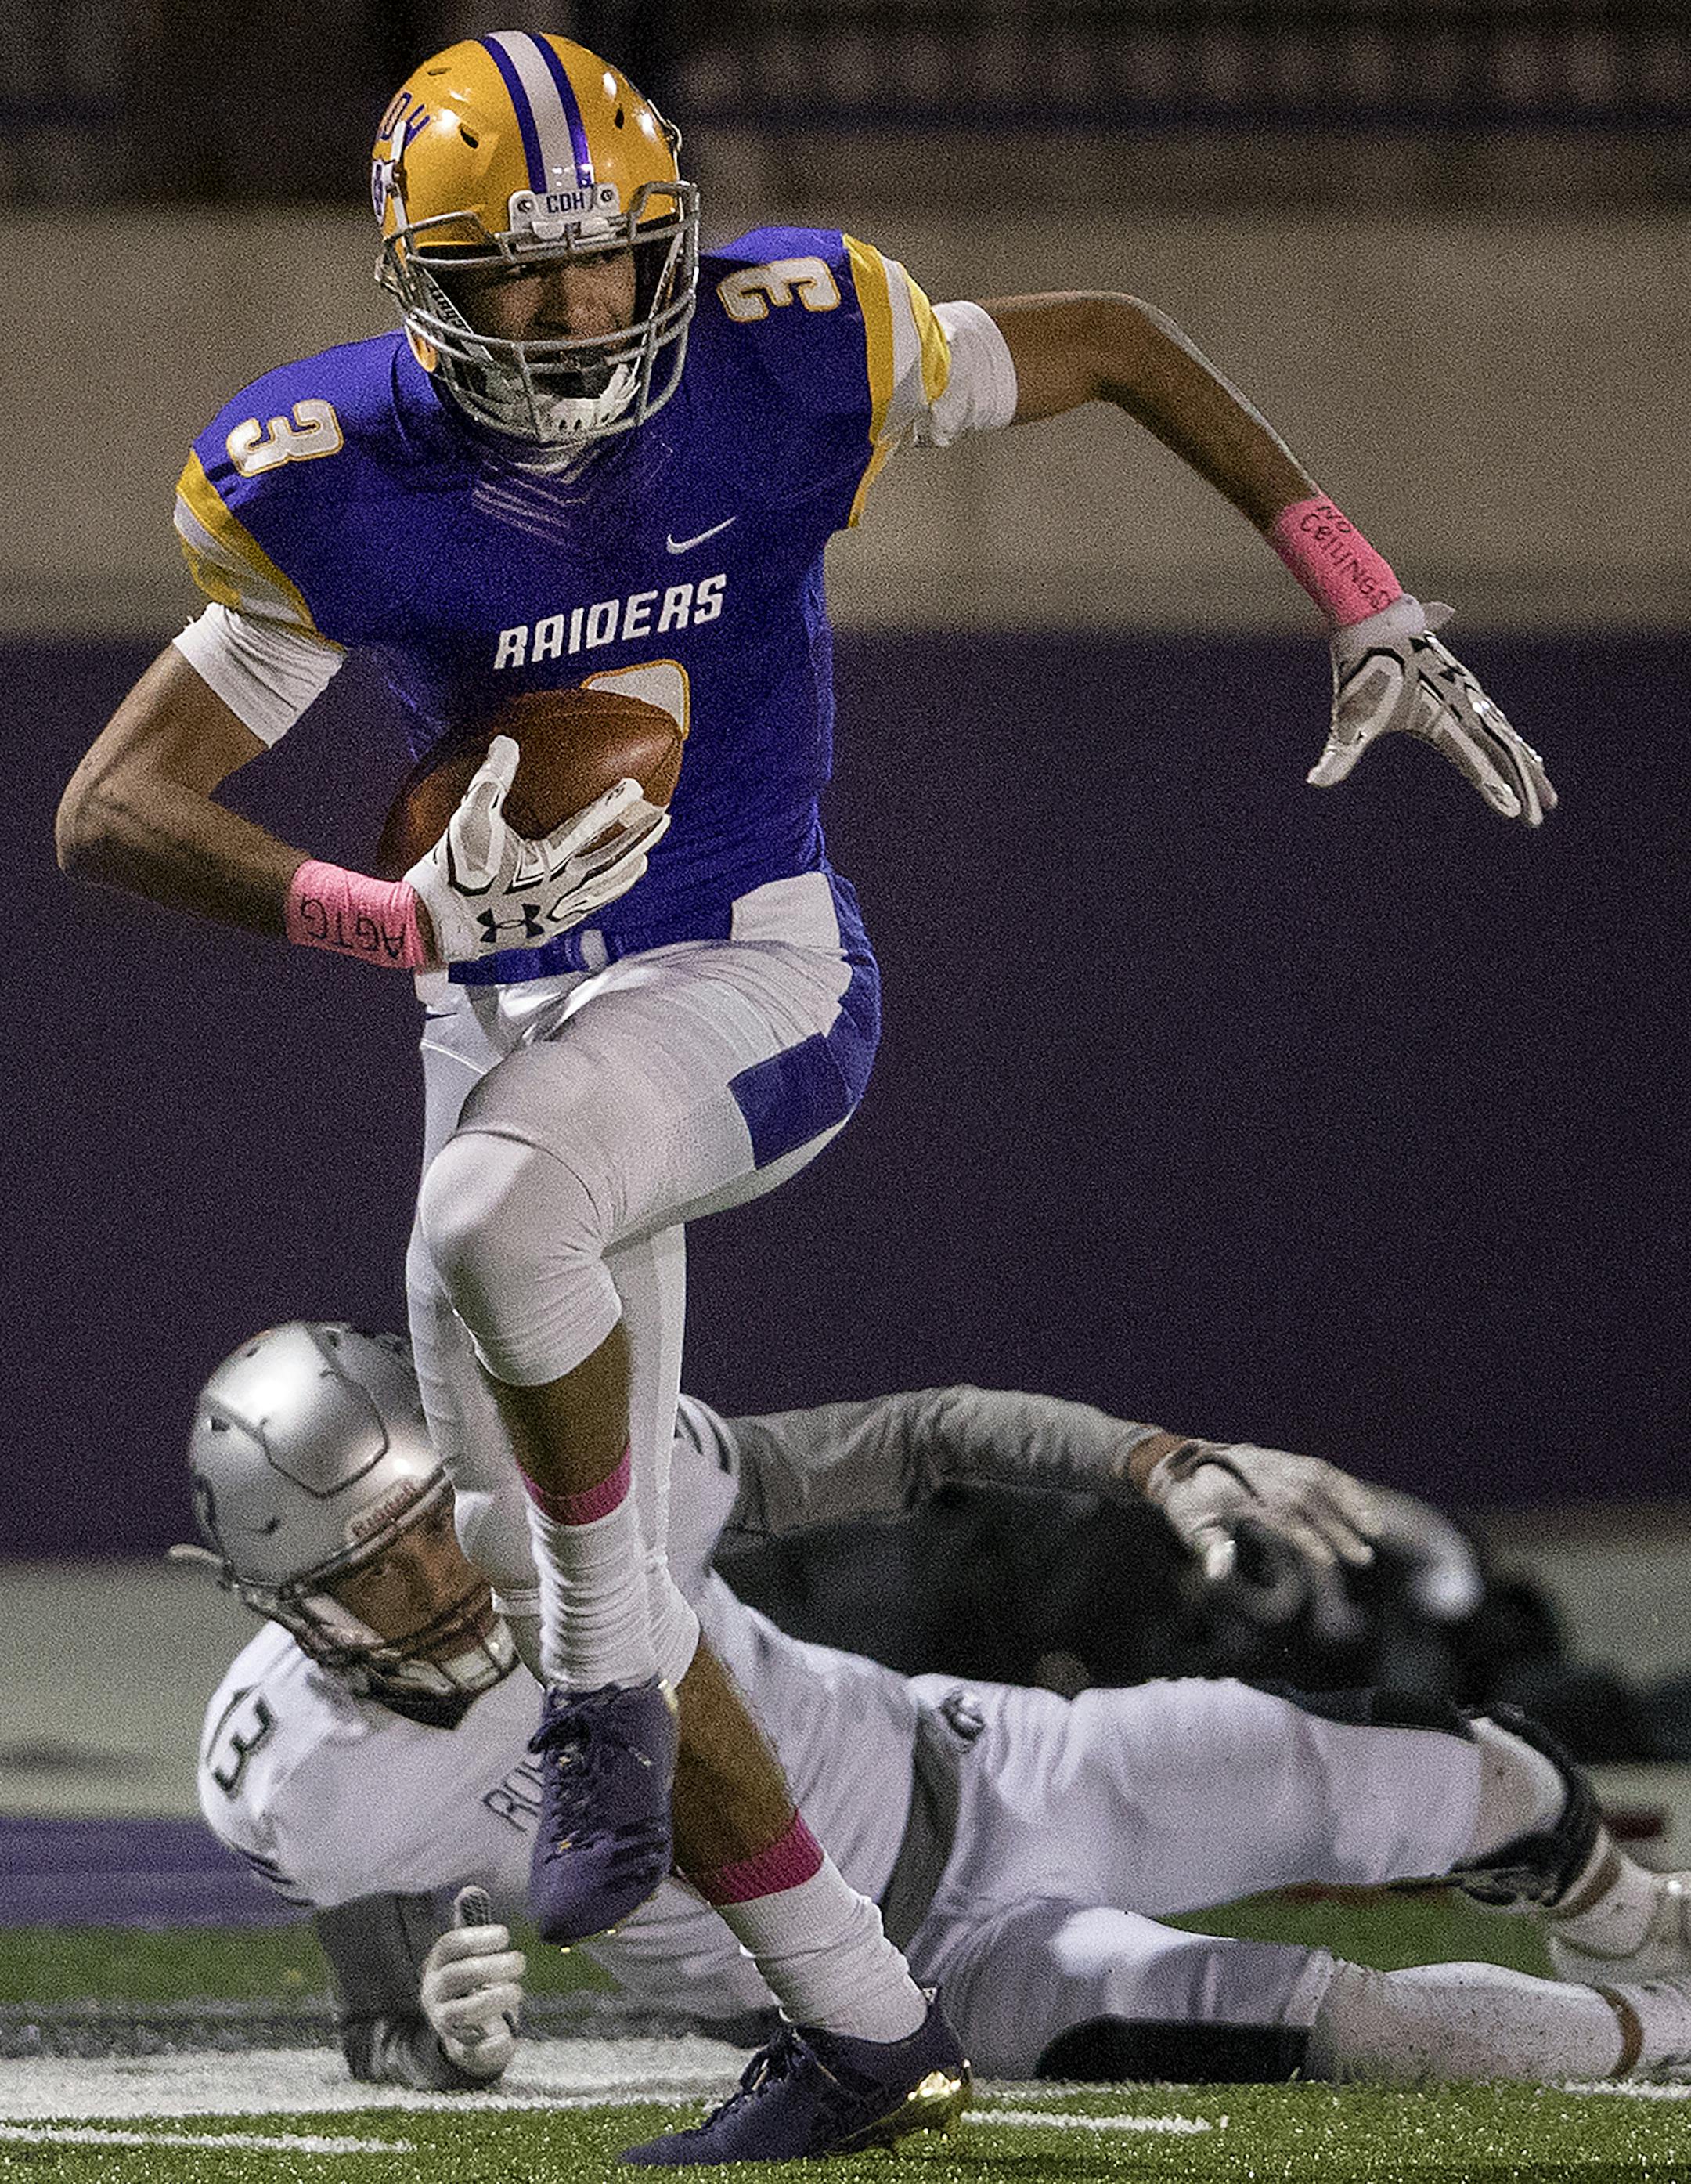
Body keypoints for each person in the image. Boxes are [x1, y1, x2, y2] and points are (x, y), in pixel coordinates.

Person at [58, 29, 1553, 2161]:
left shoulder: (796, 341)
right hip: (499, 1005)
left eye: (614, 268)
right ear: (421, 276)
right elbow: (112, 807)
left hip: (757, 964)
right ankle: (865, 2029)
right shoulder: (317, 474)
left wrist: (1358, 585)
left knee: (496, 1251)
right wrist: (384, 921)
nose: (583, 317)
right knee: (560, 1520)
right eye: (527, 280)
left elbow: (1119, 338)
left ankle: (594, 1708)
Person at [184, 1323, 1691, 2135]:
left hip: (983, 1759)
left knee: (1467, 1768)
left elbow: (918, 1438)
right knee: (1367, 2030)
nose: (436, 1579)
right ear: (281, 1605)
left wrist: (1162, 1461)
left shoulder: (591, 1488)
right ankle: (1669, 2033)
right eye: (370, 1573)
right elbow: (379, 2020)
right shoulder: (307, 1778)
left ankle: (1637, 1925)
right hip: (910, 1986)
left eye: (434, 1524)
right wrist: (436, 2048)